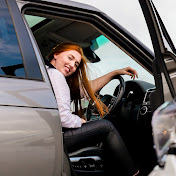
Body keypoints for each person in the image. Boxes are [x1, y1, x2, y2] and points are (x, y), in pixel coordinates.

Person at [45, 42, 139, 176]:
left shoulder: (47, 73)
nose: (72, 65)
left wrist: (114, 73)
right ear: (56, 54)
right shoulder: (56, 75)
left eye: (76, 64)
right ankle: (134, 173)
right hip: (56, 137)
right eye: (70, 58)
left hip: (50, 134)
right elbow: (63, 118)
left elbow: (84, 91)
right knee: (107, 127)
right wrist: (80, 121)